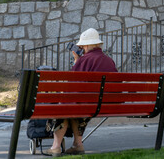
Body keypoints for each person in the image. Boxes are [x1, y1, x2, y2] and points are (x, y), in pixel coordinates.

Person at [45, 28, 117, 156]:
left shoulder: (85, 60)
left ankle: (55, 147)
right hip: (106, 105)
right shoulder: (109, 60)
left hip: (88, 104)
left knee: (63, 106)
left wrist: (77, 62)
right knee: (75, 107)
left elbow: (71, 85)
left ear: (88, 45)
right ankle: (78, 145)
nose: (81, 48)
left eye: (82, 46)